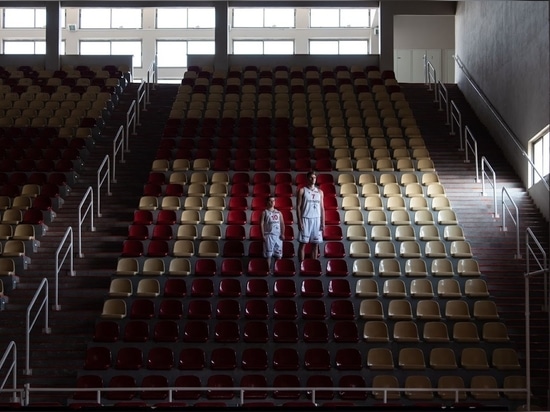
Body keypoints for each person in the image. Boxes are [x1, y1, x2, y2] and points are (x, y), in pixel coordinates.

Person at [297, 171, 325, 262]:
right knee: (303, 244)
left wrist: (323, 222)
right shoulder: (302, 190)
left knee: (315, 244)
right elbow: (298, 207)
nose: (313, 179)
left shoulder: (320, 192)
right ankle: (301, 266)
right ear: (307, 178)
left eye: (315, 178)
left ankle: (313, 265)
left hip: (317, 219)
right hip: (305, 219)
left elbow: (322, 208)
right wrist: (299, 221)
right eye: (311, 177)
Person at [261, 195, 285, 273]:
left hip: (278, 236)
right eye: (270, 201)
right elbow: (261, 224)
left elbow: (282, 224)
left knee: (279, 255)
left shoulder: (279, 213)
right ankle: (268, 270)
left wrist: (283, 233)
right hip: (269, 235)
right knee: (269, 255)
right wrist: (262, 235)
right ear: (267, 202)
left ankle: (278, 270)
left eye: (273, 201)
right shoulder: (264, 212)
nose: (272, 202)